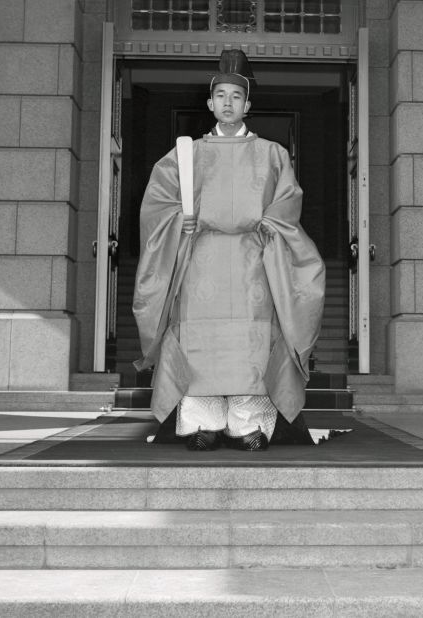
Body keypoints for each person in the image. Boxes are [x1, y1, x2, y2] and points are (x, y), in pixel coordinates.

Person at [133, 50, 326, 451]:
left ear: (248, 105)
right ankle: (203, 425)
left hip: (252, 262)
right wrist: (177, 221)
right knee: (200, 347)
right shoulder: (186, 156)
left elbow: (287, 202)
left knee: (250, 347)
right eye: (220, 95)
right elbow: (157, 205)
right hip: (201, 261)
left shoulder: (272, 154)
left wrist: (267, 223)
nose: (227, 103)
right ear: (210, 103)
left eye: (235, 97)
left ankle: (248, 424)